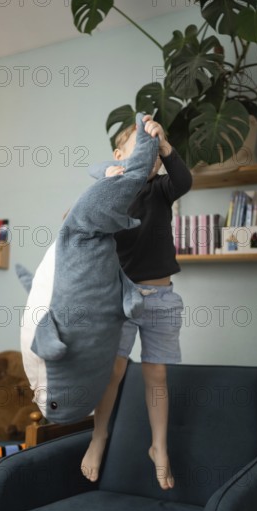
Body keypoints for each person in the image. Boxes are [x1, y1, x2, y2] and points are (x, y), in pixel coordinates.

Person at [81, 114, 192, 490]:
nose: (150, 156)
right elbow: (85, 222)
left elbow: (184, 180)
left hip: (161, 298)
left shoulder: (160, 188)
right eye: (138, 146)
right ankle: (99, 436)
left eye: (154, 151)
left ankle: (158, 447)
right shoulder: (113, 190)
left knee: (156, 374)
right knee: (113, 371)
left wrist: (165, 146)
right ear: (118, 155)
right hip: (121, 296)